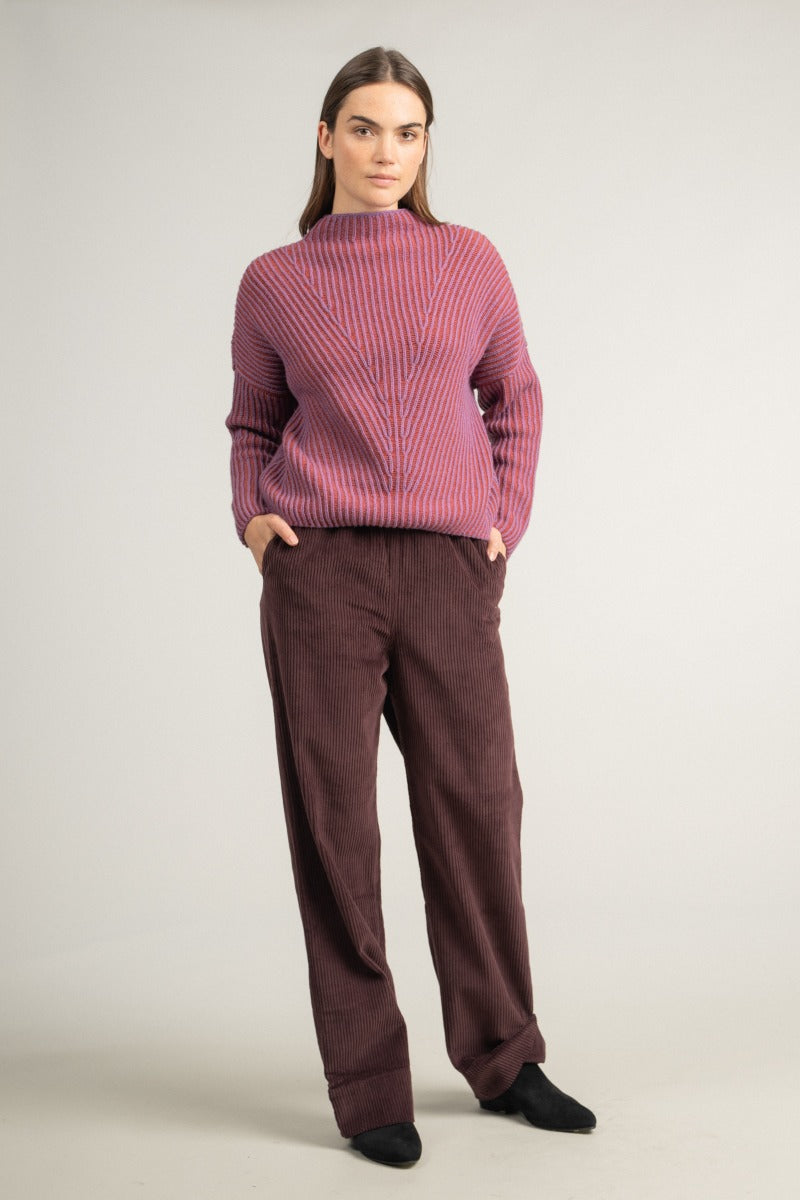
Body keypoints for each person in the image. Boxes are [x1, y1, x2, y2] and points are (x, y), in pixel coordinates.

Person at [224, 45, 596, 1169]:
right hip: (321, 571)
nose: (387, 151)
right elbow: (252, 422)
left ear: (425, 146)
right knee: (335, 826)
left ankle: (504, 1056)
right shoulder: (274, 281)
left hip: (445, 567)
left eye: (408, 132)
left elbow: (513, 396)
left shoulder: (468, 260)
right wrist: (255, 521)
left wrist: (502, 519)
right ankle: (367, 1084)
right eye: (365, 128)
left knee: (477, 804)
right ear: (325, 138)